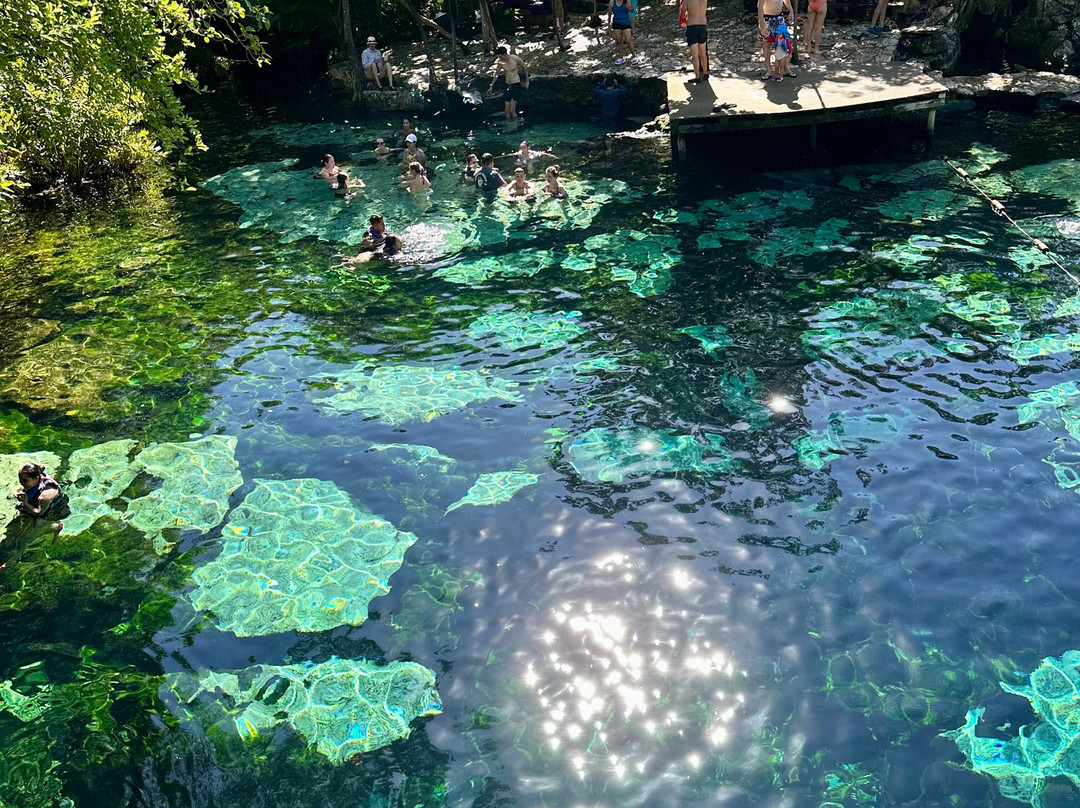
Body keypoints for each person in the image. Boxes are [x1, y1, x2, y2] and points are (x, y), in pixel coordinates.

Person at [12, 463, 64, 533]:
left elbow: (39, 512)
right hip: (37, 498)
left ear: (36, 479)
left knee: (38, 526)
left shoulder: (45, 496)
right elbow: (16, 491)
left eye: (25, 480)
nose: (21, 483)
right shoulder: (34, 477)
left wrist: (25, 503)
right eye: (20, 479)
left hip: (52, 509)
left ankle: (57, 526)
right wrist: (18, 495)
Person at [488, 47, 530, 118]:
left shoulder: (514, 58)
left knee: (512, 110)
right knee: (506, 110)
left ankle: (515, 127)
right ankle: (508, 127)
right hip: (507, 84)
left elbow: (524, 66)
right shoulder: (501, 62)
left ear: (504, 54)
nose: (499, 58)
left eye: (500, 56)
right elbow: (497, 74)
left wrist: (527, 81)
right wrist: (491, 86)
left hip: (516, 84)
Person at [759, 0, 794, 81]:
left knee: (783, 42)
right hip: (767, 18)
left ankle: (786, 68)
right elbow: (760, 7)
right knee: (767, 44)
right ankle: (768, 70)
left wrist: (791, 11)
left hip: (779, 17)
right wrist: (762, 24)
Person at [683, 0, 709, 83]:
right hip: (702, 26)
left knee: (695, 54)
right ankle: (705, 73)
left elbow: (682, 14)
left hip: (692, 27)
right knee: (703, 52)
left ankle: (697, 76)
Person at [608, 0, 639, 65]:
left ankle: (634, 56)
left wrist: (628, 6)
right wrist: (609, 26)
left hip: (626, 23)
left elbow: (632, 11)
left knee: (628, 40)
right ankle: (620, 58)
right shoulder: (612, 2)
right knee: (619, 40)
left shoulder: (627, 1)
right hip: (616, 23)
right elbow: (609, 14)